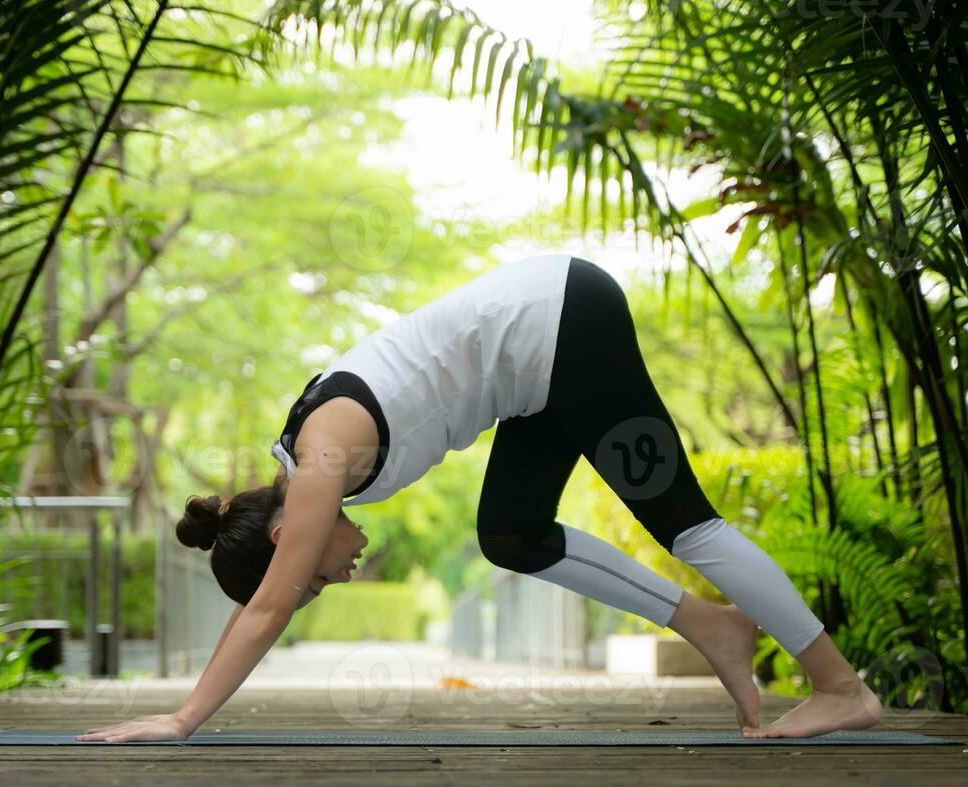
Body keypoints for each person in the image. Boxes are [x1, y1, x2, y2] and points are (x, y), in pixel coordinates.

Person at [78, 254, 882, 743]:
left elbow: (264, 611)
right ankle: (713, 624)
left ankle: (840, 686)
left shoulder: (321, 457)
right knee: (511, 532)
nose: (333, 581)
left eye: (312, 574)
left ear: (288, 528)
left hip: (566, 323)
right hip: (537, 378)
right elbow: (265, 599)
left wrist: (183, 718)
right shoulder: (318, 461)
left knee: (687, 526)